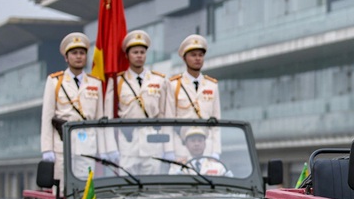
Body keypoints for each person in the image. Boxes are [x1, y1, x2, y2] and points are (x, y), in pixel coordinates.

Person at [40, 32, 104, 181]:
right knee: (63, 191)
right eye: (74, 53)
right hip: (62, 145)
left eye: (82, 53)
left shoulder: (95, 83)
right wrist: (47, 149)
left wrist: (104, 148)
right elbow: (47, 117)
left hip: (87, 146)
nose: (78, 56)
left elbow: (100, 119)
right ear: (66, 57)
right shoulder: (55, 81)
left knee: (86, 190)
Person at [105, 30, 168, 173]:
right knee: (127, 188)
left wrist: (167, 146)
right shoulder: (117, 81)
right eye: (135, 52)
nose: (139, 56)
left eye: (142, 52)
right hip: (128, 143)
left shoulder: (159, 80)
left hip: (152, 143)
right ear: (127, 55)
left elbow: (164, 116)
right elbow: (108, 117)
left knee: (151, 190)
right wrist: (110, 147)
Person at [169, 34, 221, 159]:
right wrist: (169, 150)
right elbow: (168, 123)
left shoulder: (211, 85)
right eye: (193, 55)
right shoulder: (173, 85)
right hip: (180, 149)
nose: (197, 58)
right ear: (184, 58)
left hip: (206, 148)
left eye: (200, 55)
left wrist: (216, 151)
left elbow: (216, 123)